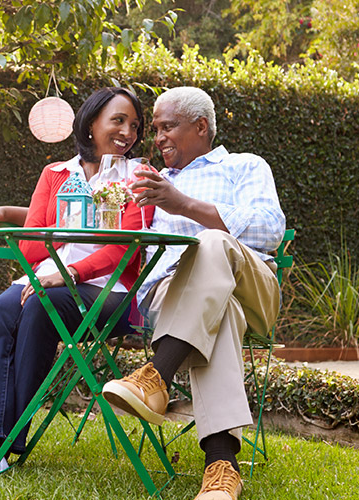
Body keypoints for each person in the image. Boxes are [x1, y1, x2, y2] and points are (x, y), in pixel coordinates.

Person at [0, 87, 153, 480]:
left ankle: (2, 443)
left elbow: (125, 249)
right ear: (90, 125)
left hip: (113, 294)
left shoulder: (140, 177)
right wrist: (65, 226)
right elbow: (35, 245)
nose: (128, 132)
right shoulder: (55, 174)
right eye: (118, 120)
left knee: (41, 305)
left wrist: (69, 271)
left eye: (134, 125)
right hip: (48, 279)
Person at [101, 87, 285, 500]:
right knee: (221, 315)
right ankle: (222, 467)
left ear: (200, 127)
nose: (159, 137)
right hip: (173, 298)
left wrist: (183, 205)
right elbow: (111, 229)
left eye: (168, 127)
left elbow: (269, 231)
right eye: (157, 130)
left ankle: (157, 374)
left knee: (214, 243)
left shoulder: (243, 166)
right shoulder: (149, 184)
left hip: (252, 286)